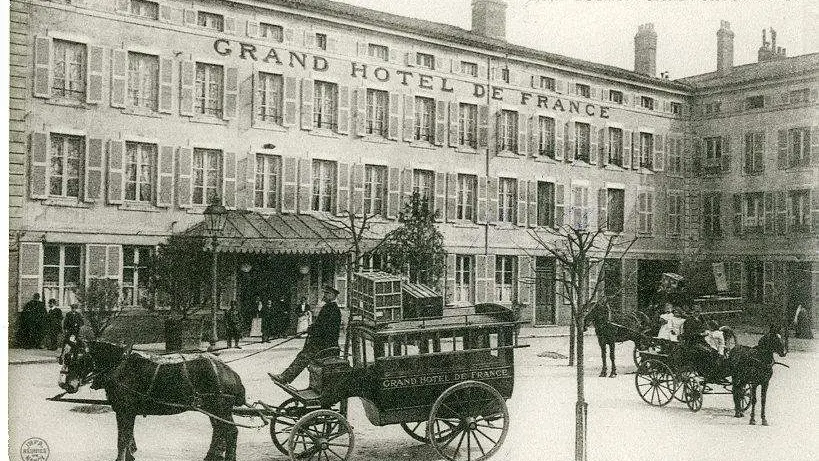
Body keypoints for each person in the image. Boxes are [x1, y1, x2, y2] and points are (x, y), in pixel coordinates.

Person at [270, 285, 342, 384]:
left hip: (326, 344)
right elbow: (321, 325)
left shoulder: (332, 309)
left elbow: (326, 328)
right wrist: (312, 328)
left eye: (327, 293)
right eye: (325, 293)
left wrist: (313, 330)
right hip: (323, 342)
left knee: (304, 356)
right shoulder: (329, 307)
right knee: (304, 355)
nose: (324, 295)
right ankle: (286, 377)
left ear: (333, 296)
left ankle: (285, 378)